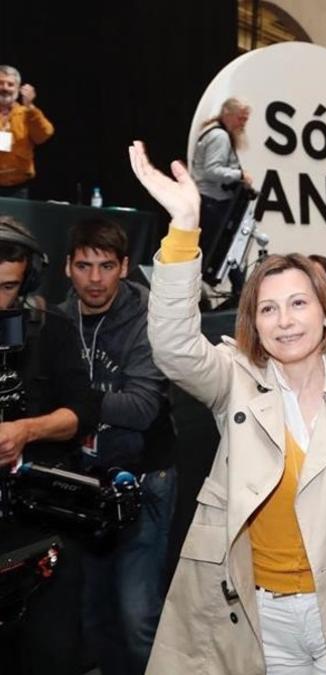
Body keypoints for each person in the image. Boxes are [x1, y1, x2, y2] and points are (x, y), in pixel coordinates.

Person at [128, 141, 326, 673]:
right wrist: (184, 226)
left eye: (299, 303)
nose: (285, 320)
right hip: (259, 619)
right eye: (268, 309)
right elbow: (174, 345)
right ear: (253, 323)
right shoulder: (235, 382)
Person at [59, 218, 176, 675]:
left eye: (106, 266)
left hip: (145, 477)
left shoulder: (148, 317)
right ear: (68, 267)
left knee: (137, 615)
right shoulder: (59, 317)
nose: (94, 279)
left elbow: (143, 407)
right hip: (83, 483)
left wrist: (72, 406)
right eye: (84, 265)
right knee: (93, 615)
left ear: (124, 267)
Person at [0, 217, 100, 675]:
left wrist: (27, 431)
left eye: (6, 288)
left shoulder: (49, 328)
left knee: (50, 655)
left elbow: (83, 411)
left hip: (40, 529)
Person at [191, 97, 253, 275]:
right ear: (229, 114)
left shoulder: (213, 132)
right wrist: (240, 175)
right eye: (241, 118)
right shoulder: (220, 136)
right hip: (212, 202)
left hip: (209, 200)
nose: (243, 123)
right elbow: (212, 170)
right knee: (214, 251)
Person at [0, 65, 54, 199]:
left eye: (10, 84)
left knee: (15, 220)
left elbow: (44, 135)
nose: (5, 88)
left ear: (18, 89)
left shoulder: (27, 113)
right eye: (0, 83)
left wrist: (30, 106)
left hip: (19, 187)